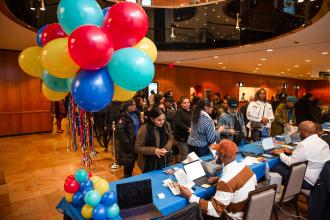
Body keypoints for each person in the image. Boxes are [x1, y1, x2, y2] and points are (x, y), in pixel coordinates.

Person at [179, 139, 257, 220]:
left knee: (194, 211)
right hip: (244, 211)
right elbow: (238, 184)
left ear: (222, 156)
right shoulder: (246, 168)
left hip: (231, 217)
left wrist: (190, 196)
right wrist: (220, 179)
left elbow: (215, 211)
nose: (215, 154)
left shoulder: (226, 182)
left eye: (217, 153)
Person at [272, 121, 330, 190]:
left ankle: (286, 194)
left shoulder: (304, 145)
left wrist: (280, 153)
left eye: (299, 131)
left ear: (304, 132)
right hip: (321, 179)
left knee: (275, 168)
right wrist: (292, 152)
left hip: (308, 181)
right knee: (282, 166)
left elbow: (291, 163)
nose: (299, 133)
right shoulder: (323, 142)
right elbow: (310, 155)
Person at [135, 107, 174, 173]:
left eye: (164, 119)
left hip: (164, 161)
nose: (162, 122)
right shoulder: (144, 129)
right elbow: (137, 147)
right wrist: (154, 151)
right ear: (152, 119)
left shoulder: (166, 125)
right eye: (159, 120)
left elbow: (170, 139)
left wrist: (166, 148)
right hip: (148, 163)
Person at [116, 100, 143, 178]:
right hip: (128, 142)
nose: (135, 106)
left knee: (133, 160)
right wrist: (127, 142)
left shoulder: (135, 114)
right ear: (128, 107)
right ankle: (127, 177)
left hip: (136, 140)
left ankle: (130, 176)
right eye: (133, 105)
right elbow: (121, 131)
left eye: (135, 104)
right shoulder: (123, 117)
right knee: (128, 162)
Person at [173, 96, 192, 161]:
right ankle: (183, 167)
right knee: (184, 154)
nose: (187, 104)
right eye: (185, 103)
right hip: (182, 137)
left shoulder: (191, 111)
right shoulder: (179, 111)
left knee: (190, 153)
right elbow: (178, 123)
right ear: (181, 104)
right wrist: (188, 128)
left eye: (188, 102)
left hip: (190, 136)